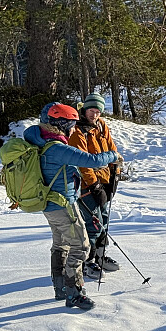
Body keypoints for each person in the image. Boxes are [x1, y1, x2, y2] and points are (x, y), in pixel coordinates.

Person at [24, 102, 120, 310]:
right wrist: (113, 155)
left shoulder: (41, 141)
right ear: (61, 124)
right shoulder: (56, 147)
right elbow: (91, 160)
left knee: (61, 244)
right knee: (81, 245)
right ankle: (74, 293)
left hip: (49, 203)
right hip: (61, 203)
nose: (73, 128)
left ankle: (60, 288)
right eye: (71, 124)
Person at [68, 93, 120, 279]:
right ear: (84, 109)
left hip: (104, 180)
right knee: (93, 224)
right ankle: (87, 261)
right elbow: (82, 162)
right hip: (86, 186)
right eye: (92, 110)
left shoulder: (101, 125)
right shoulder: (77, 131)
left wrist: (115, 175)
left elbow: (112, 150)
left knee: (104, 220)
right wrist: (95, 186)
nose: (95, 115)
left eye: (98, 111)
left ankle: (100, 256)